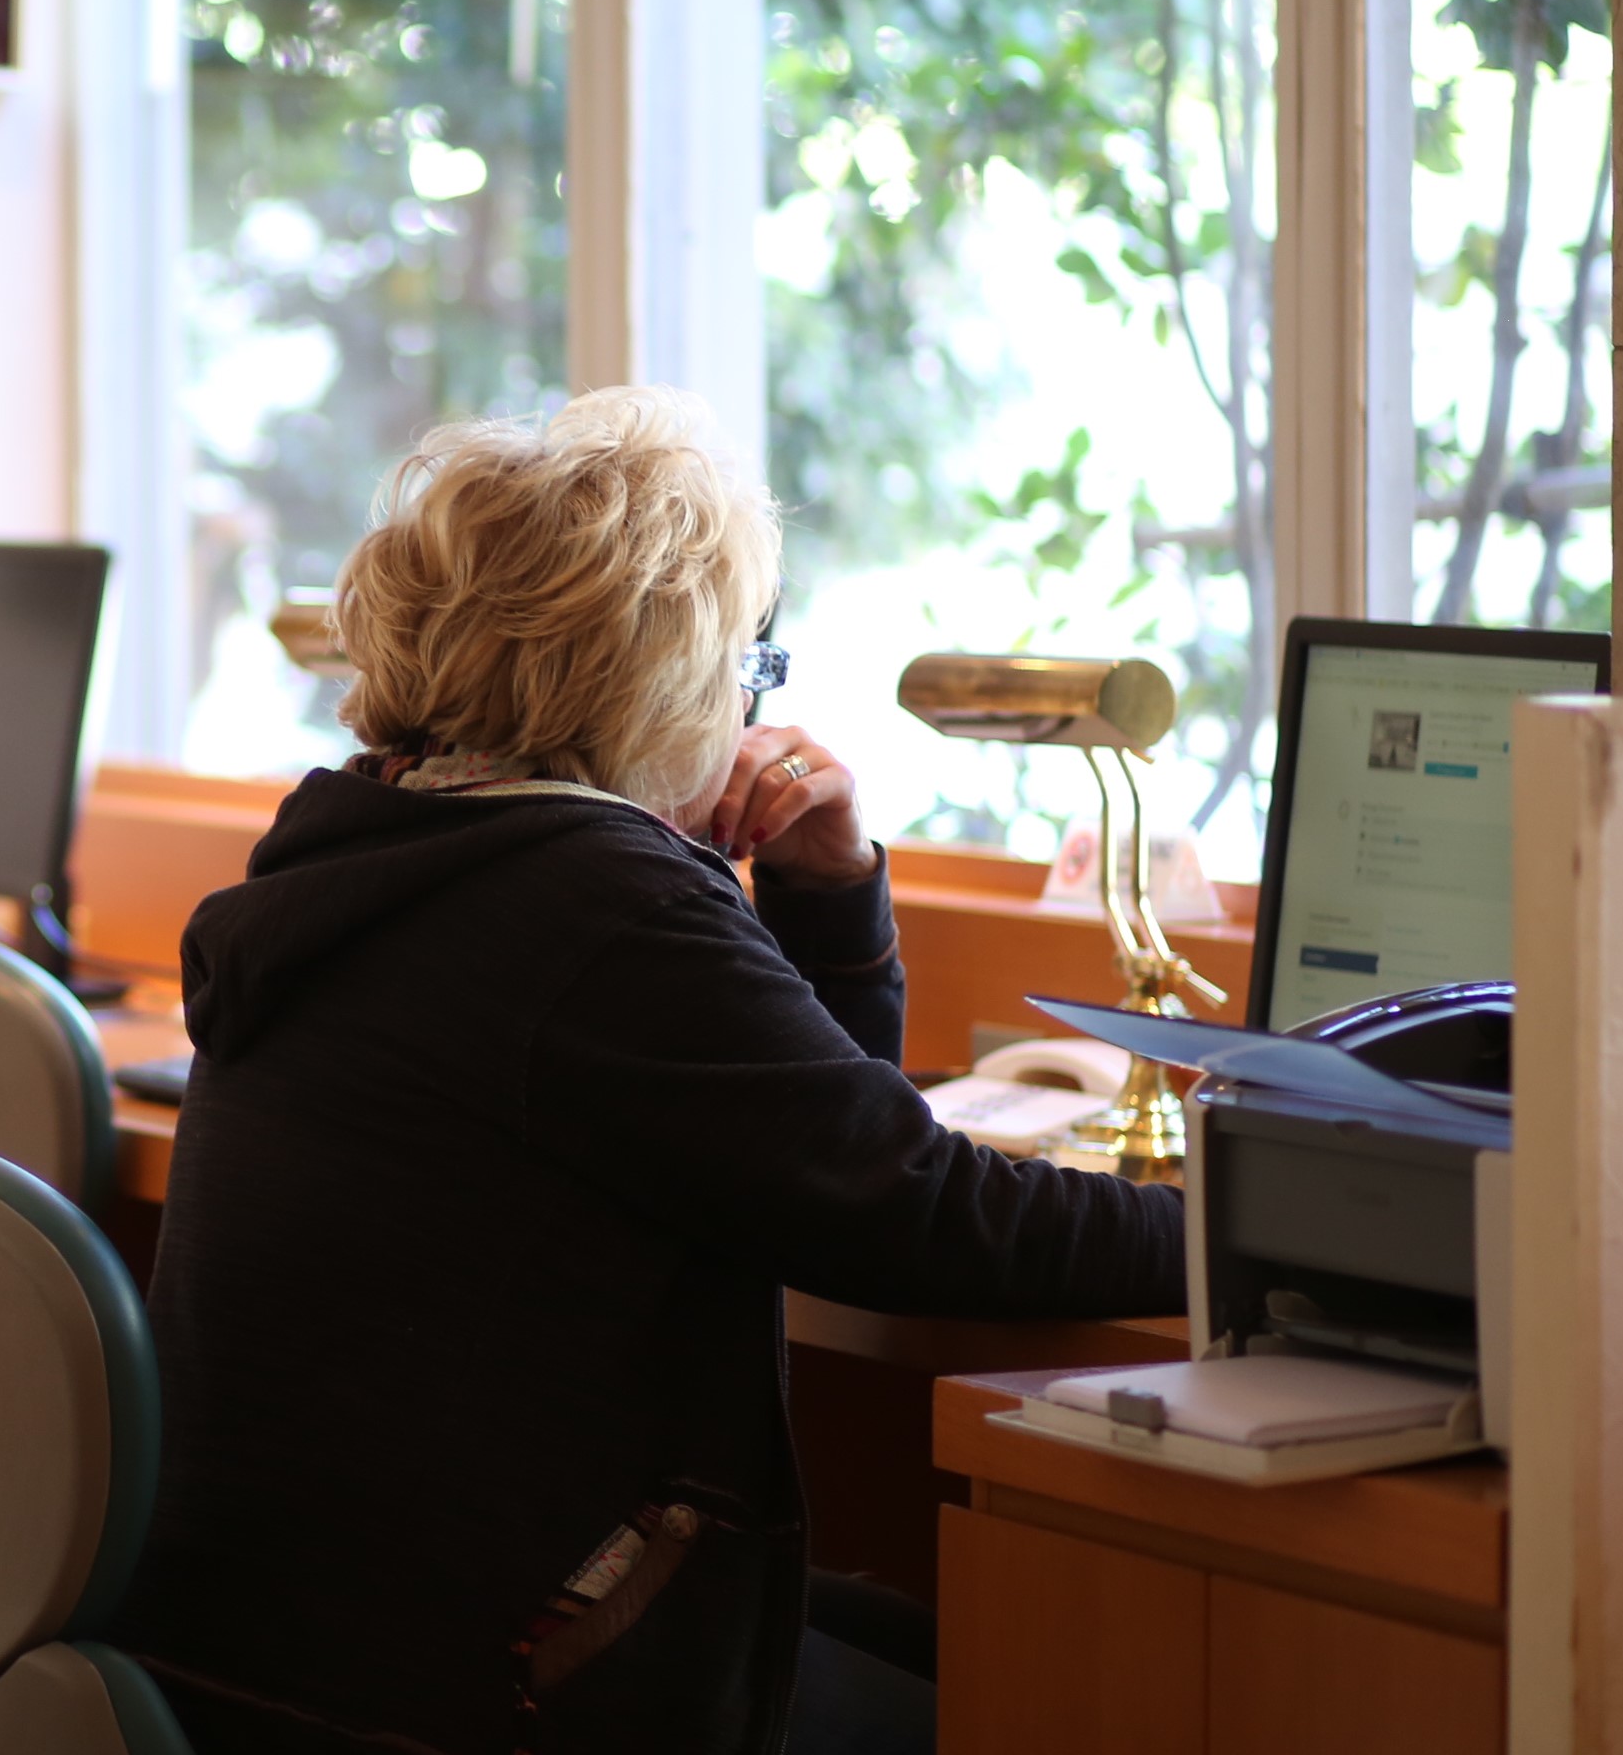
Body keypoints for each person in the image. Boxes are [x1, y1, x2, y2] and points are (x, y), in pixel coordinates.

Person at [115, 388, 1184, 1755]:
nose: (752, 699)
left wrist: (828, 889)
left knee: (947, 1636)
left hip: (292, 1651)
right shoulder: (591, 904)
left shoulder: (372, 849)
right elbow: (914, 1213)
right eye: (750, 659)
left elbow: (805, 1148)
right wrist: (1245, 1235)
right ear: (663, 673)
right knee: (1072, 1698)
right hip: (478, 1685)